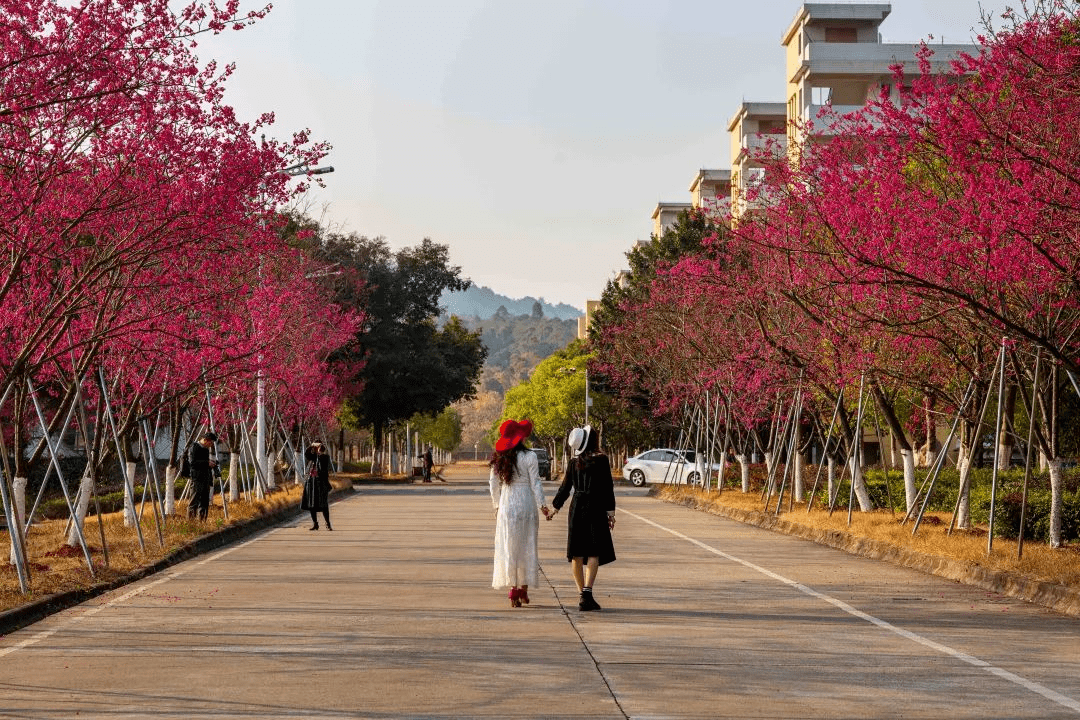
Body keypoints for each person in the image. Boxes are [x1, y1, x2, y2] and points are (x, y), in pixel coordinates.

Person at [548, 425, 616, 611]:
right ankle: (587, 594)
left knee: (576, 553)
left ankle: (582, 596)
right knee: (594, 551)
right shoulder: (601, 460)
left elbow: (565, 488)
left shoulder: (573, 462)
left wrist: (554, 509)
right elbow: (607, 488)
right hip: (595, 506)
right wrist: (610, 513)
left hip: (577, 507)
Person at [489, 418, 550, 608]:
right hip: (526, 504)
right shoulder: (530, 456)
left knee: (510, 547)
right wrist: (543, 505)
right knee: (527, 546)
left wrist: (496, 505)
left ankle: (513, 589)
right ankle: (524, 589)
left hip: (507, 505)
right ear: (521, 438)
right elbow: (536, 483)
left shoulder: (500, 457)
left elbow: (493, 484)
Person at [187, 431, 218, 521]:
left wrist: (211, 463)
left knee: (204, 501)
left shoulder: (205, 449)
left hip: (206, 477)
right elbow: (192, 463)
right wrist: (207, 463)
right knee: (194, 500)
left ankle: (202, 521)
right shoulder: (194, 447)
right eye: (211, 442)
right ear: (205, 440)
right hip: (197, 478)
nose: (211, 445)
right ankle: (191, 523)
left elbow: (204, 462)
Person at [303, 441, 332, 531]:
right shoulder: (314, 457)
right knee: (311, 504)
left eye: (319, 446)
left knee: (323, 504)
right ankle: (315, 524)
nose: (317, 448)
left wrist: (319, 451)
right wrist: (311, 446)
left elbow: (322, 464)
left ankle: (328, 524)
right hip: (311, 481)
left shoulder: (325, 457)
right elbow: (306, 454)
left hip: (321, 483)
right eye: (316, 446)